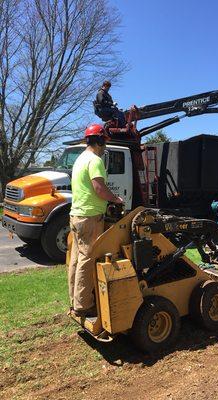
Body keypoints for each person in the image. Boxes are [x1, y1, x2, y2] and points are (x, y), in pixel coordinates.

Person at [68, 123, 123, 317]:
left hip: (76, 215)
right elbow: (99, 189)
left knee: (76, 259)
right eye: (105, 142)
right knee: (87, 259)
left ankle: (74, 300)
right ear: (99, 141)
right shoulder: (95, 160)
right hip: (90, 217)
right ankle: (84, 305)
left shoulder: (80, 159)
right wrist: (116, 199)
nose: (106, 146)